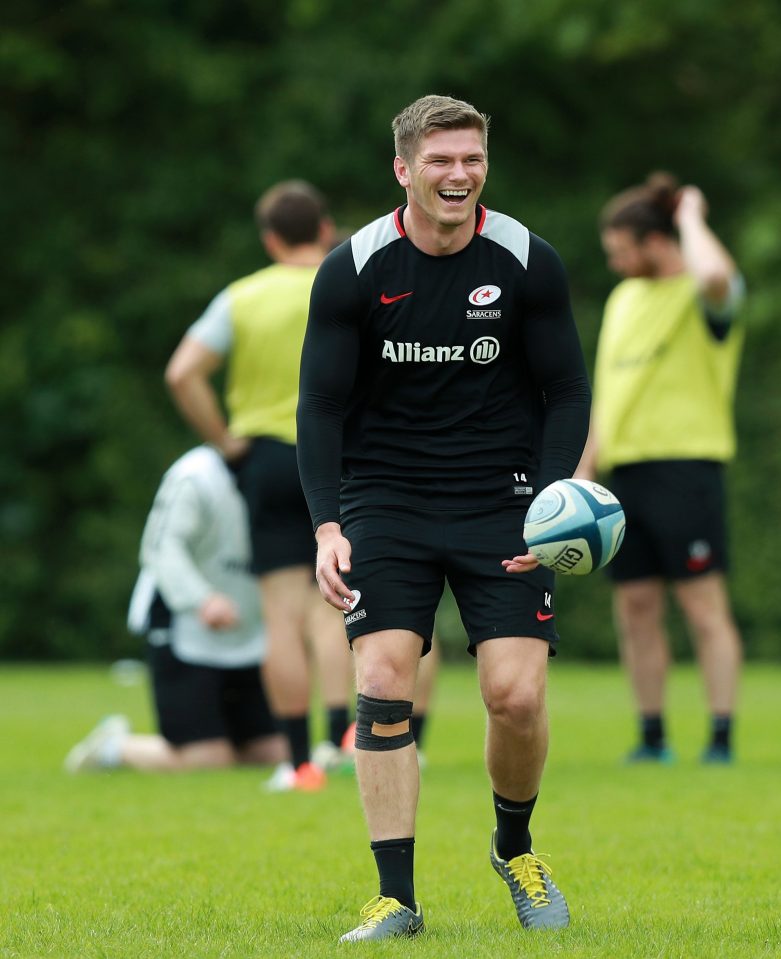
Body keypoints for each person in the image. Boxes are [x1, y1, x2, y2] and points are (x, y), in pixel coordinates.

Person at [297, 94, 591, 941]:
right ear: (404, 169)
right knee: (384, 681)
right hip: (383, 497)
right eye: (440, 161)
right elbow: (318, 405)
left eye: (471, 159)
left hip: (501, 497)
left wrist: (549, 498)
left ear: (485, 165)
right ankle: (398, 896)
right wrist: (327, 525)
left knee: (516, 695)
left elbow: (566, 390)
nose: (458, 175)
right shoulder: (353, 268)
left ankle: (516, 847)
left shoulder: (529, 260)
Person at [164, 181, 352, 791]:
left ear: (270, 238)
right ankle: (342, 740)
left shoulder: (242, 297)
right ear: (323, 229)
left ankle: (296, 763)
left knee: (282, 616)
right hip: (341, 456)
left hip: (269, 460)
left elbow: (183, 373)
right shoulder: (347, 282)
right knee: (334, 610)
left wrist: (224, 441)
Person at [575, 172, 745, 765]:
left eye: (622, 249)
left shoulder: (704, 294)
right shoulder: (623, 301)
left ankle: (720, 737)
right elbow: (607, 395)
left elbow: (718, 275)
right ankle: (651, 736)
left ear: (654, 240)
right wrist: (582, 474)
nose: (616, 262)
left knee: (702, 606)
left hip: (687, 467)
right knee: (636, 608)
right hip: (624, 478)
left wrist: (690, 215)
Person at [64, 446, 288, 773]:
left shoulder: (297, 471)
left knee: (275, 753)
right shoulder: (197, 475)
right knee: (208, 760)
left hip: (250, 631)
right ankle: (114, 747)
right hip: (183, 625)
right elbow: (161, 548)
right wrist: (202, 598)